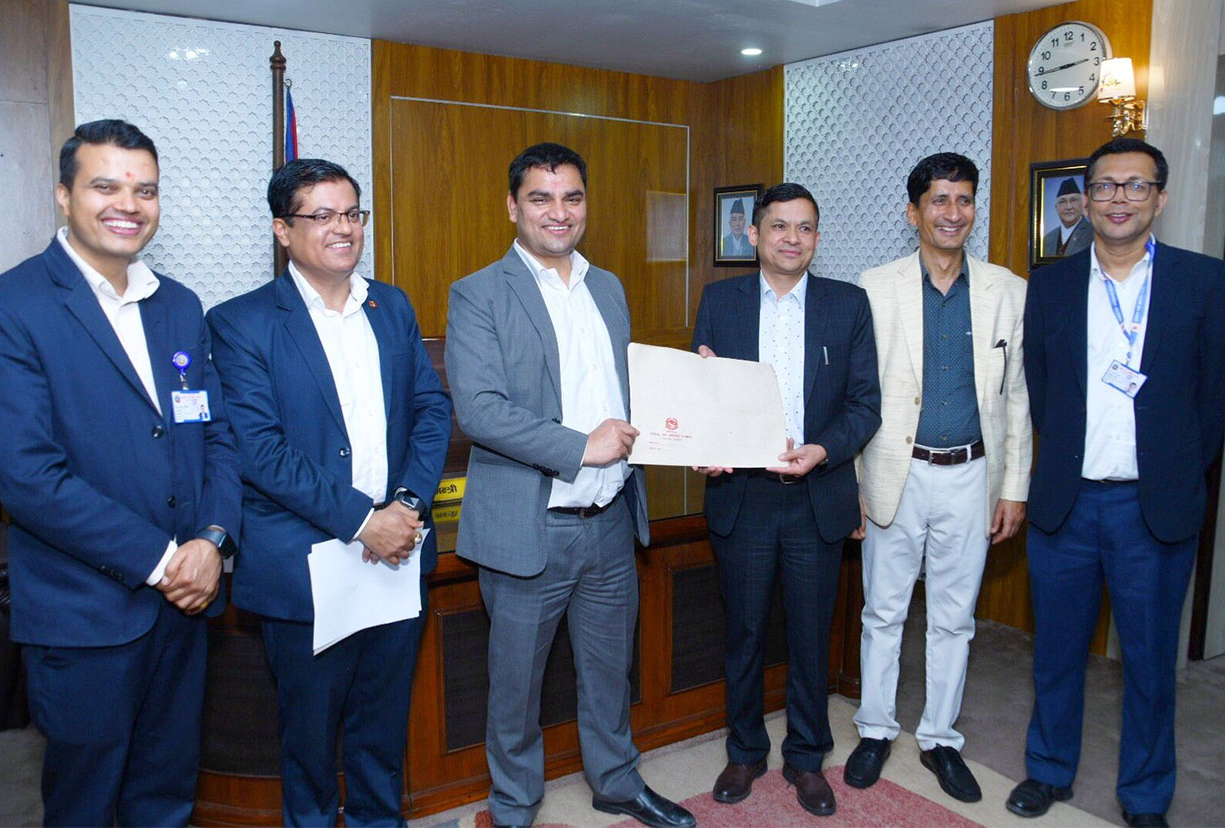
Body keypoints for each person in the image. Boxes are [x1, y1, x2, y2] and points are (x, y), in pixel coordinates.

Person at [0, 119, 242, 826]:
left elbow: (216, 436)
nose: (128, 204)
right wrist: (164, 562)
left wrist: (213, 540)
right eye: (106, 186)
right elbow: (30, 479)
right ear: (64, 196)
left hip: (186, 608)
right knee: (85, 804)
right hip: (85, 616)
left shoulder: (179, 304)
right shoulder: (5, 308)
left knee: (166, 797)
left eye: (145, 190)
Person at [445, 142, 694, 828]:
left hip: (610, 521)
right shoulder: (478, 292)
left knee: (610, 671)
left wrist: (692, 396)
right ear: (512, 207)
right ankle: (514, 804)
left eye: (572, 197)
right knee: (516, 686)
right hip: (531, 526)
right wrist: (581, 447)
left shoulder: (607, 287)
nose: (559, 212)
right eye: (541, 197)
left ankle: (615, 780)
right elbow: (480, 410)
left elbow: (624, 390)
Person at [206, 158, 452, 826]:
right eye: (321, 215)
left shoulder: (391, 305)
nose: (343, 228)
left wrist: (406, 505)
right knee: (310, 740)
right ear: (283, 229)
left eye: (352, 213)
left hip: (397, 554)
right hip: (307, 564)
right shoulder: (240, 322)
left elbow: (431, 411)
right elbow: (260, 451)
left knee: (382, 730)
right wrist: (363, 520)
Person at [1007, 137, 1225, 828]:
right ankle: (1047, 770)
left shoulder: (1205, 280)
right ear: (1088, 199)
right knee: (1056, 653)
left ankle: (1146, 796)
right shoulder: (1051, 284)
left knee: (1151, 665)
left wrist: (1175, 473)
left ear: (1160, 199)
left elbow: (1213, 401)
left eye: (1136, 186)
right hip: (1067, 505)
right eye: (1105, 186)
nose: (1119, 199)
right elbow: (1041, 388)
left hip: (1152, 509)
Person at [846, 153, 1032, 803]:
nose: (953, 213)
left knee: (955, 618)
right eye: (940, 200)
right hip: (894, 473)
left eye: (964, 200)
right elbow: (857, 392)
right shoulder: (875, 288)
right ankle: (875, 729)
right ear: (914, 212)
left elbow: (1017, 399)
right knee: (884, 611)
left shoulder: (1008, 291)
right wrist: (852, 484)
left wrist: (1014, 488)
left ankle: (939, 739)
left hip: (972, 476)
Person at [691, 182, 880, 817]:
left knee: (809, 636)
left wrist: (823, 450)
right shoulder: (719, 301)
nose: (791, 238)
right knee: (744, 632)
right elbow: (702, 396)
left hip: (814, 496)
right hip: (743, 495)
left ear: (817, 238)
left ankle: (805, 758)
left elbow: (865, 405)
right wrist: (706, 439)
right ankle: (745, 751)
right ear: (754, 234)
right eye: (778, 226)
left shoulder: (847, 304)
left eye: (804, 227)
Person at [1041, 178, 1092, 257]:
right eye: (1063, 201)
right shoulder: (1048, 239)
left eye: (1073, 200)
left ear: (1083, 204)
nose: (1069, 207)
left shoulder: (1093, 234)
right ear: (1056, 208)